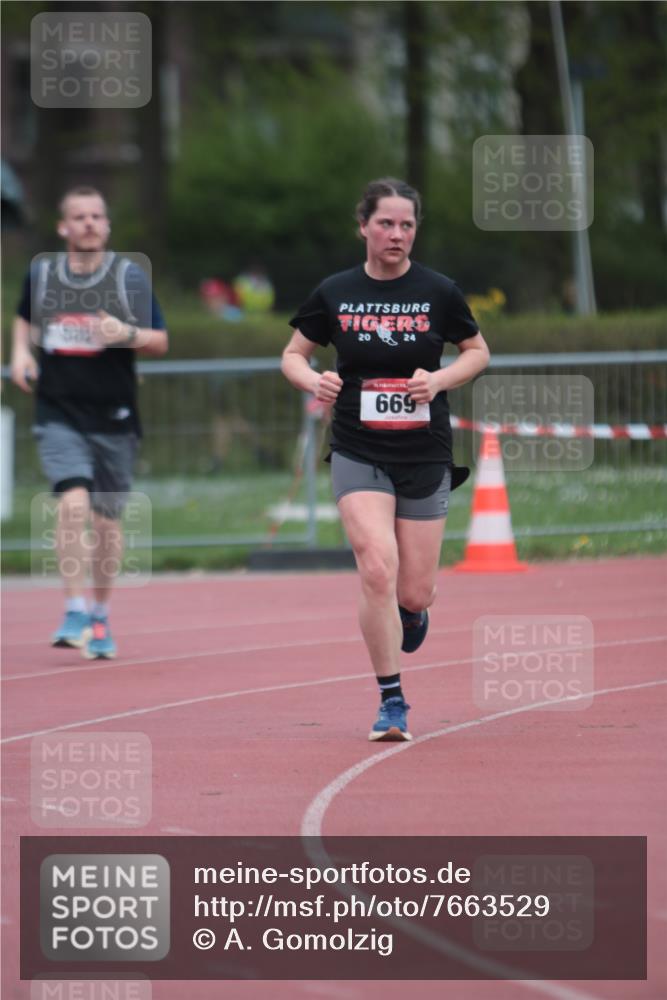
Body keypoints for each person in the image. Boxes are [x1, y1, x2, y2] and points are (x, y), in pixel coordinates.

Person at [281, 177, 490, 741]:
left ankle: (415, 612)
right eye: (386, 224)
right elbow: (293, 354)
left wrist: (440, 379)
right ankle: (391, 701)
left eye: (407, 225)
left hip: (424, 451)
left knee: (411, 591)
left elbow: (477, 351)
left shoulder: (439, 291)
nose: (397, 234)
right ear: (364, 228)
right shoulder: (336, 292)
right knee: (376, 565)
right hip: (358, 446)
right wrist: (313, 380)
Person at [10, 185, 168, 659]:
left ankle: (99, 614)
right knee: (72, 505)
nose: (89, 224)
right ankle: (74, 607)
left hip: (115, 416)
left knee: (105, 525)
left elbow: (160, 341)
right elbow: (23, 319)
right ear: (63, 227)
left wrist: (126, 333)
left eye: (97, 216)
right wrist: (19, 352)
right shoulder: (43, 274)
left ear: (107, 225)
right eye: (78, 217)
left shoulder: (128, 279)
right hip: (59, 411)